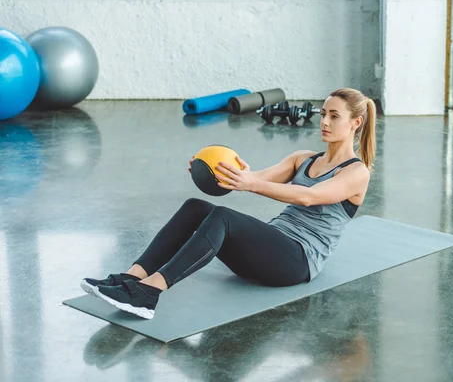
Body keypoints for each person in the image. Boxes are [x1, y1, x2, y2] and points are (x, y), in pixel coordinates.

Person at [80, 87, 377, 320]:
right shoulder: (304, 158)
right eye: (324, 113)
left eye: (334, 116)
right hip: (269, 249)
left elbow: (308, 196)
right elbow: (253, 178)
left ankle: (149, 293)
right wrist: (215, 171)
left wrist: (252, 183)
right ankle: (130, 280)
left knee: (223, 217)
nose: (324, 121)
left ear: (356, 122)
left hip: (296, 262)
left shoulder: (356, 172)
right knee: (196, 207)